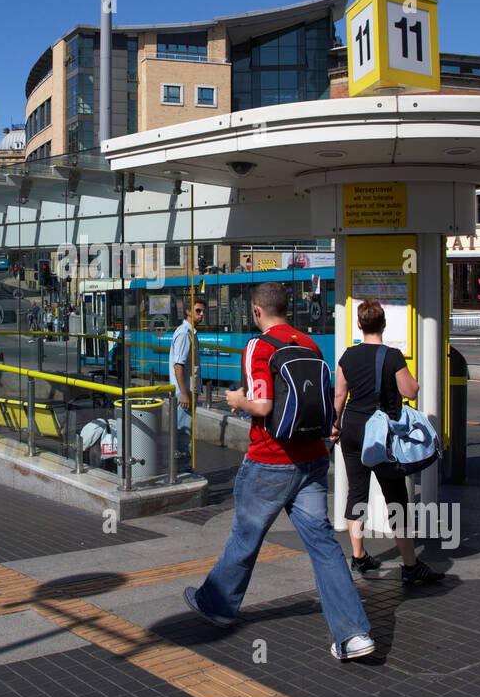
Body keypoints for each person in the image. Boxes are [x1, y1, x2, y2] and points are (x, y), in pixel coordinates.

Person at [184, 281, 374, 660]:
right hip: (312, 461)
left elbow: (265, 404)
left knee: (245, 536)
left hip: (270, 461)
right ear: (287, 308)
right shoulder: (310, 345)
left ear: (257, 312)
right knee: (323, 546)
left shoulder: (260, 345)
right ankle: (354, 635)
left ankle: (217, 605)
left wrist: (239, 399)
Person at [332, 299, 445, 585]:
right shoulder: (392, 355)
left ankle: (358, 556)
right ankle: (410, 564)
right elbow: (411, 390)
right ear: (383, 324)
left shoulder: (348, 356)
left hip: (353, 429)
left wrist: (335, 425)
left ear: (359, 325)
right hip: (381, 434)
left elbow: (339, 397)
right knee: (396, 496)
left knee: (357, 492)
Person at [170, 297, 205, 461]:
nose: (202, 314)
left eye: (203, 311)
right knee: (183, 434)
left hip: (188, 390)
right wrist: (184, 393)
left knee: (185, 432)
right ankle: (184, 472)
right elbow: (179, 365)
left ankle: (184, 469)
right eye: (198, 311)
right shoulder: (184, 333)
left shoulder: (190, 332)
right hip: (185, 391)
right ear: (188, 312)